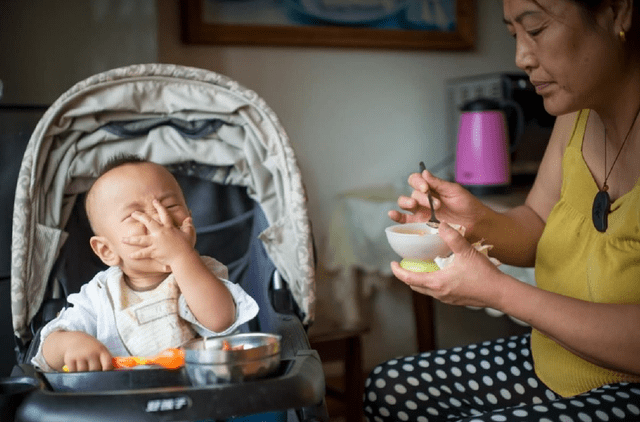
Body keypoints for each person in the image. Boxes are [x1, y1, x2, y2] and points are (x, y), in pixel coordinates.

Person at [364, 0, 640, 420]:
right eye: (514, 35)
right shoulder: (575, 116)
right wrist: (472, 223)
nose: (521, 58)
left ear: (618, 12)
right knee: (389, 387)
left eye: (537, 28)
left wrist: (498, 291)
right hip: (555, 357)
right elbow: (537, 226)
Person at [32, 156, 259, 372]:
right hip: (123, 404)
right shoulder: (100, 295)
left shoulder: (201, 271)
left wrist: (181, 257)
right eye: (135, 215)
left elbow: (220, 320)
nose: (159, 218)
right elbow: (48, 348)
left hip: (198, 397)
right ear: (107, 250)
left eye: (169, 206)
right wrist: (71, 345)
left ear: (190, 219)